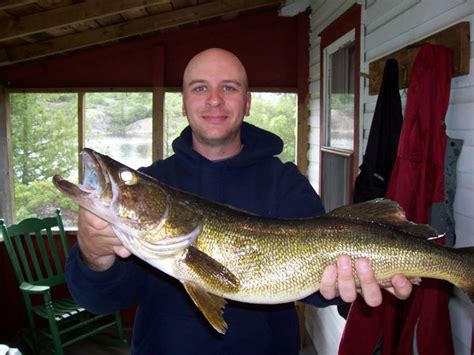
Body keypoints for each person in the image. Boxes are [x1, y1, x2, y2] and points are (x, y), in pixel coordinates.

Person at [66, 48, 412, 354]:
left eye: (228, 87)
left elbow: (320, 290)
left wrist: (345, 286)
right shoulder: (155, 184)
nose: (214, 100)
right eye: (199, 87)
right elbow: (103, 301)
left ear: (247, 103)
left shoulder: (286, 183)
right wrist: (94, 256)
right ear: (184, 103)